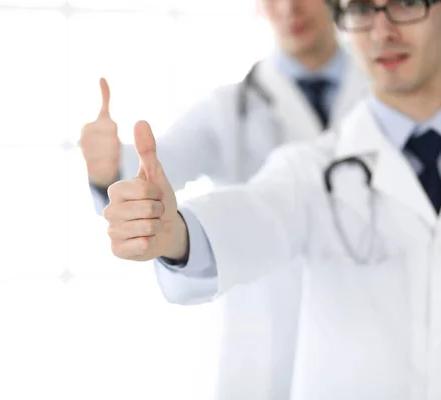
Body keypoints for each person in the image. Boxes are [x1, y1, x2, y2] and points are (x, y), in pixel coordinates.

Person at [103, 0, 441, 397]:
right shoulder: (308, 171)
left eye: (406, 3)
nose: (382, 32)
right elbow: (257, 212)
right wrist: (176, 235)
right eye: (363, 8)